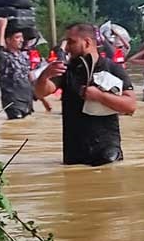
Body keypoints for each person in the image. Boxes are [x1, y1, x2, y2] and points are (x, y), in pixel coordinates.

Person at [34, 23, 137, 166]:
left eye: (71, 42)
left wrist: (99, 96)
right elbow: (40, 92)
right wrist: (44, 76)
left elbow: (130, 106)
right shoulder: (67, 70)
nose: (67, 47)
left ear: (87, 42)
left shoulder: (112, 69)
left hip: (106, 149)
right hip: (74, 152)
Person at [0, 18, 34, 120]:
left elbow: (30, 78)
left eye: (22, 37)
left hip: (27, 100)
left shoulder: (23, 57)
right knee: (16, 125)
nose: (21, 40)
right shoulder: (4, 57)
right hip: (13, 102)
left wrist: (43, 100)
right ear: (8, 40)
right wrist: (2, 27)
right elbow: (0, 46)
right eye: (17, 37)